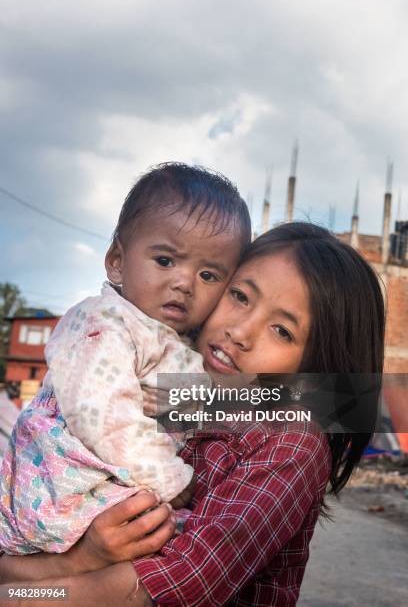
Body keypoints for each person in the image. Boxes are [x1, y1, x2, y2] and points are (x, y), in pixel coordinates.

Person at [0, 223, 385, 606]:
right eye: (239, 296)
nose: (240, 332)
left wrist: (24, 597)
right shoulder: (157, 385)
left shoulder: (291, 440)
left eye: (282, 331)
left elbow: (183, 581)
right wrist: (84, 557)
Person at [0, 162, 251, 555]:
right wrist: (172, 479)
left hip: (111, 487)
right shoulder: (101, 321)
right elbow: (104, 414)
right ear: (117, 259)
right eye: (165, 261)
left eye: (208, 275)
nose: (184, 283)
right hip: (63, 486)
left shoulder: (182, 342)